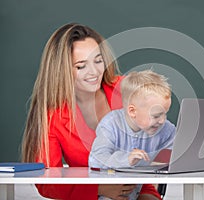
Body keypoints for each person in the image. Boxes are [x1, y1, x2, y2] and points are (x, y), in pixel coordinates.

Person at [21, 23, 162, 200]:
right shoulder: (52, 116)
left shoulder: (125, 90)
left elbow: (158, 130)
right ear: (62, 70)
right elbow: (47, 182)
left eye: (98, 60)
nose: (94, 72)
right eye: (81, 66)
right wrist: (98, 189)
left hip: (140, 187)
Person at [89, 70, 176, 199]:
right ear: (132, 111)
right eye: (156, 115)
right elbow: (96, 160)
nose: (162, 120)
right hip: (110, 193)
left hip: (138, 190)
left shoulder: (164, 127)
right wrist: (126, 159)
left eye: (165, 113)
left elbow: (175, 152)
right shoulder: (110, 124)